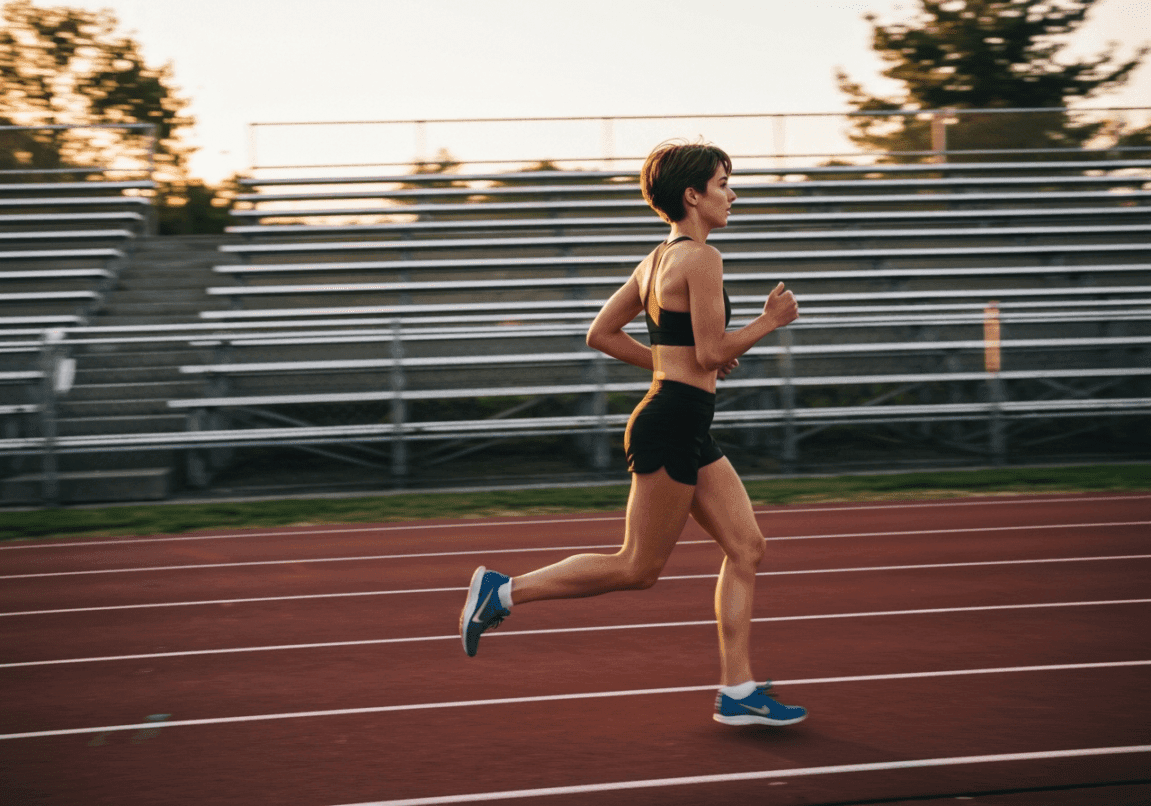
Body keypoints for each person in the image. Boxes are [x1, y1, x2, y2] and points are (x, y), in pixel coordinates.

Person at [460, 140, 806, 726]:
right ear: (693, 196)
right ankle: (502, 591)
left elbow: (602, 333)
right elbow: (711, 349)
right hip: (672, 422)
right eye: (724, 182)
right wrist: (769, 322)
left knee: (746, 547)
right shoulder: (702, 257)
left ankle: (738, 691)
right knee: (636, 568)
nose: (733, 193)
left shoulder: (654, 261)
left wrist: (675, 363)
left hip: (684, 419)